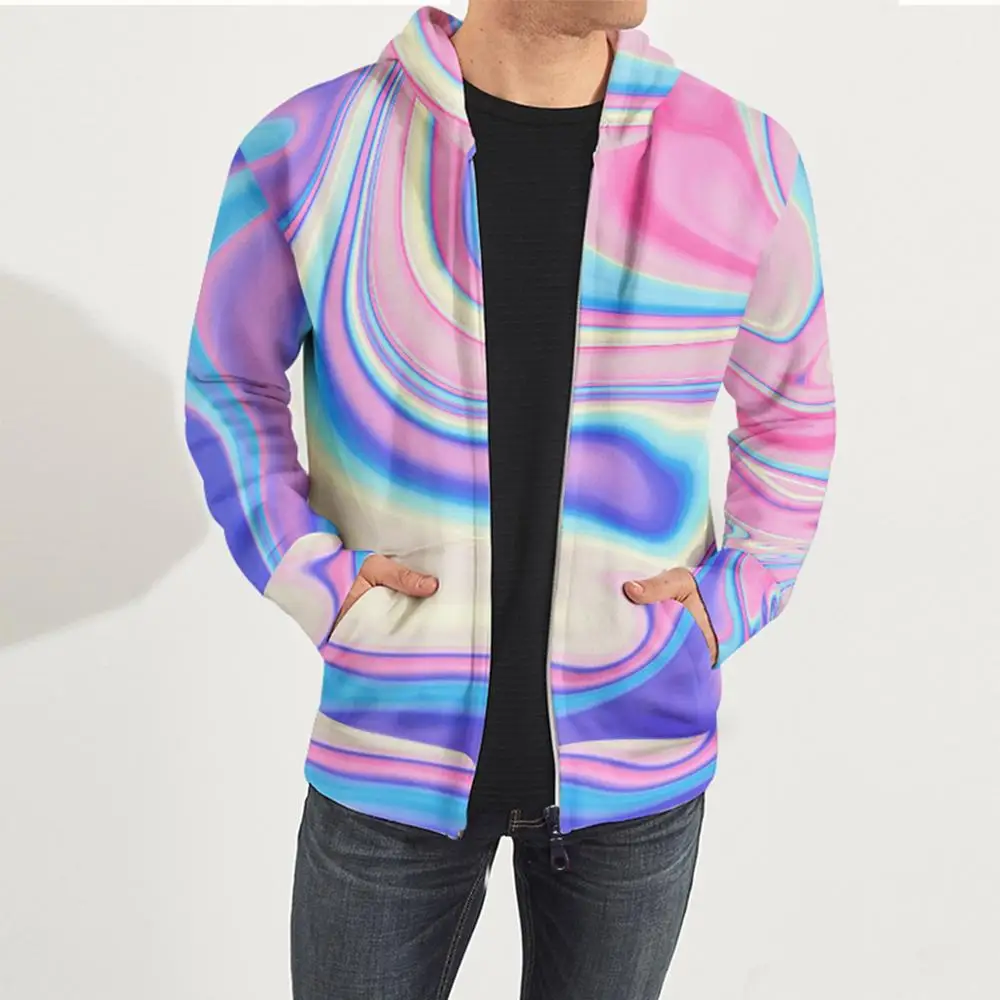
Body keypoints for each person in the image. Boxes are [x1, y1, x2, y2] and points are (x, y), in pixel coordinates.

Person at [184, 1, 835, 997]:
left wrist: (734, 595)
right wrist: (317, 580)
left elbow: (791, 406)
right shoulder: (310, 149)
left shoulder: (741, 157)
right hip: (391, 747)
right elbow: (229, 385)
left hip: (637, 753)